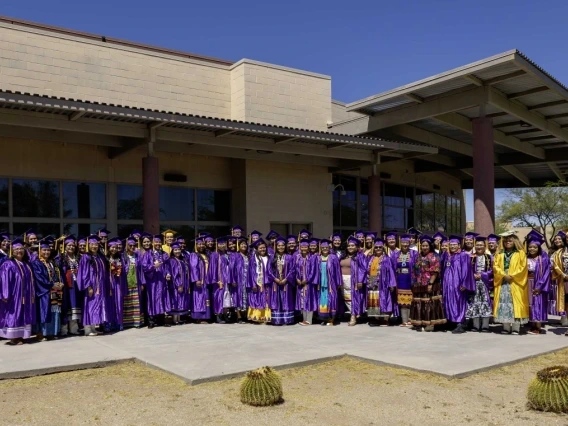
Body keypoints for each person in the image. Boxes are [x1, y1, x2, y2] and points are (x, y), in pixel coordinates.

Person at [0, 239, 35, 345]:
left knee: (23, 314)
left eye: (21, 249)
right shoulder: (8, 264)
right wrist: (5, 294)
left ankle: (21, 335)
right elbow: (4, 280)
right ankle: (13, 338)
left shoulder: (26, 264)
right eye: (16, 249)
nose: (19, 251)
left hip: (26, 295)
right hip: (14, 295)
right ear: (12, 250)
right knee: (14, 314)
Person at [493, 232, 529, 335]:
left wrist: (512, 276)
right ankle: (506, 327)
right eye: (506, 241)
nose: (508, 242)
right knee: (503, 304)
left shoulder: (520, 253)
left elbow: (523, 268)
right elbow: (495, 266)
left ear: (515, 241)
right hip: (503, 281)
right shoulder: (499, 253)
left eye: (510, 240)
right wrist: (504, 275)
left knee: (515, 304)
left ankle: (516, 328)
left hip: (515, 282)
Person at [441, 235, 475, 334]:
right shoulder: (446, 255)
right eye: (450, 245)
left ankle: (460, 323)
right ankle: (451, 321)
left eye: (454, 244)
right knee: (448, 301)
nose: (452, 246)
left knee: (458, 302)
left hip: (458, 284)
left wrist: (464, 283)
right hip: (447, 284)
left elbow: (467, 270)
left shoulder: (463, 255)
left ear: (459, 245)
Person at [32, 237, 64, 341]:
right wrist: (51, 285)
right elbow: (39, 278)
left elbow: (58, 274)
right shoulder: (36, 263)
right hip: (44, 292)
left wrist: (60, 283)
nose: (46, 252)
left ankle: (51, 332)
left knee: (54, 312)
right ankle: (41, 333)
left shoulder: (52, 262)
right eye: (44, 250)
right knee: (43, 312)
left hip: (54, 291)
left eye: (48, 250)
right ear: (39, 251)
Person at [77, 235, 110, 336]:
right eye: (92, 244)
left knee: (96, 306)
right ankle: (87, 329)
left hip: (100, 286)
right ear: (88, 245)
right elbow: (84, 273)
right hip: (91, 285)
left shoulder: (100, 257)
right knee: (90, 305)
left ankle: (93, 328)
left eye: (96, 244)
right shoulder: (86, 257)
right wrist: (89, 286)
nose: (94, 246)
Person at [411, 235, 445, 331]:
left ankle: (430, 324)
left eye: (426, 245)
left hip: (430, 284)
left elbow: (435, 271)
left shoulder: (434, 256)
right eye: (423, 245)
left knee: (428, 305)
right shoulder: (418, 256)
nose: (424, 247)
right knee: (419, 304)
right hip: (419, 284)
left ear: (430, 246)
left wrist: (430, 283)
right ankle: (420, 322)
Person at [140, 235, 170, 328]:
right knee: (152, 299)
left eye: (159, 242)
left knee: (161, 298)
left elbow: (168, 266)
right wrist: (153, 266)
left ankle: (161, 319)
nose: (157, 244)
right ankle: (151, 321)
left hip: (161, 280)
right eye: (156, 242)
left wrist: (168, 273)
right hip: (152, 281)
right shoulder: (148, 254)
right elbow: (144, 267)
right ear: (153, 243)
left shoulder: (164, 254)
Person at [366, 238, 397, 327]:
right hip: (372, 281)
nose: (378, 249)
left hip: (383, 282)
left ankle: (385, 319)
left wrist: (392, 284)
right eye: (376, 247)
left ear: (383, 248)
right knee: (374, 300)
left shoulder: (387, 259)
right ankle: (376, 318)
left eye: (380, 247)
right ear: (374, 248)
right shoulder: (371, 258)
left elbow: (391, 271)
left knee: (384, 299)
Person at [465, 237, 493, 332]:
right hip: (473, 283)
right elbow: (467, 270)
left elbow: (492, 270)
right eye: (477, 245)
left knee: (485, 302)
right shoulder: (471, 257)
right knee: (474, 302)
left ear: (485, 246)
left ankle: (485, 325)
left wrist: (482, 275)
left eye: (481, 245)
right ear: (474, 246)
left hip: (484, 283)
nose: (479, 247)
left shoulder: (489, 257)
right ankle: (476, 325)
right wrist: (473, 275)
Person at [267, 236, 296, 326]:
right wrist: (275, 279)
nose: (281, 247)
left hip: (286, 283)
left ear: (285, 246)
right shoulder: (272, 257)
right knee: (277, 300)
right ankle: (277, 320)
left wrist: (286, 279)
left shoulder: (289, 257)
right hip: (275, 283)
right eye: (279, 246)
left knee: (286, 300)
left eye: (282, 245)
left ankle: (287, 319)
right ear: (276, 246)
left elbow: (293, 270)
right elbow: (268, 270)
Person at [525, 231, 550, 335]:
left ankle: (538, 327)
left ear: (538, 248)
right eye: (530, 247)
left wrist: (539, 286)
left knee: (538, 304)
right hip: (527, 283)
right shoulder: (526, 258)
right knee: (530, 304)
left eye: (534, 247)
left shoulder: (543, 259)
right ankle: (532, 325)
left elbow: (546, 273)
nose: (532, 249)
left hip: (538, 284)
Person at [58, 235, 82, 336]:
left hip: (76, 286)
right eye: (69, 245)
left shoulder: (78, 257)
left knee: (75, 305)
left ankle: (73, 328)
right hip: (67, 286)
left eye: (72, 245)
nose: (71, 247)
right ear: (64, 246)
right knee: (66, 306)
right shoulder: (61, 258)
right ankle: (64, 329)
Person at [314, 239, 341, 326]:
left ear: (329, 248)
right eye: (323, 247)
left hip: (331, 283)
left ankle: (331, 319)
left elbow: (338, 271)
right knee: (323, 300)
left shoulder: (333, 257)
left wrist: (338, 282)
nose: (325, 249)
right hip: (321, 283)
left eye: (326, 247)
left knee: (332, 300)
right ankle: (323, 318)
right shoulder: (317, 258)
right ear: (320, 248)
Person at [341, 236, 366, 326]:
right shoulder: (343, 256)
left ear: (356, 247)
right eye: (349, 246)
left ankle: (353, 316)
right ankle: (353, 313)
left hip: (352, 280)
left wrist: (360, 280)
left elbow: (363, 269)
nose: (350, 247)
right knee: (346, 298)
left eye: (352, 245)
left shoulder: (360, 256)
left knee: (353, 298)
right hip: (342, 280)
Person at [395, 234, 417, 327]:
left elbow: (417, 267)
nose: (405, 244)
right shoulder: (395, 254)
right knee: (402, 301)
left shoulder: (414, 253)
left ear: (409, 243)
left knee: (411, 300)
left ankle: (411, 320)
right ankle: (404, 321)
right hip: (400, 279)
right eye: (403, 243)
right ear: (400, 243)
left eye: (406, 243)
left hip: (410, 278)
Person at [166, 241, 191, 325]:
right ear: (172, 251)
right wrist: (178, 284)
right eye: (175, 250)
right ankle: (174, 319)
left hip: (183, 284)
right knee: (176, 301)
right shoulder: (172, 260)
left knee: (180, 301)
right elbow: (174, 274)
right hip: (176, 285)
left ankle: (179, 318)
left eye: (178, 250)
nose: (177, 251)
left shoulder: (182, 260)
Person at [247, 239, 271, 323]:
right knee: (257, 298)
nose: (262, 249)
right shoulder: (253, 258)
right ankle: (257, 316)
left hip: (267, 281)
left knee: (266, 298)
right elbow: (251, 272)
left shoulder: (269, 257)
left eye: (264, 247)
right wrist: (253, 284)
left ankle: (266, 316)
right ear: (257, 249)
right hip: (257, 281)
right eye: (260, 248)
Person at [189, 236, 212, 323]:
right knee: (198, 298)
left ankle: (205, 317)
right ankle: (198, 317)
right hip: (199, 281)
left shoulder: (205, 255)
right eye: (199, 244)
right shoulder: (194, 255)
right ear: (196, 245)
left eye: (202, 244)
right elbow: (193, 267)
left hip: (206, 281)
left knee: (206, 298)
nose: (201, 246)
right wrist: (196, 279)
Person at [122, 235, 144, 329]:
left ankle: (136, 322)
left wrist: (142, 282)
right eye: (130, 245)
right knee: (127, 303)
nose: (132, 247)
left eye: (133, 245)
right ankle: (127, 323)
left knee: (136, 303)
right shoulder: (123, 257)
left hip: (136, 282)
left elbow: (141, 270)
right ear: (127, 246)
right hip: (126, 283)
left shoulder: (137, 256)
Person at [211, 237, 233, 324]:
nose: (222, 245)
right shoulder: (215, 255)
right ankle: (218, 316)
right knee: (218, 298)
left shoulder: (228, 254)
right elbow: (212, 268)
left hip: (227, 280)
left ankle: (225, 315)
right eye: (220, 244)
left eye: (223, 244)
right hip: (219, 281)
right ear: (217, 245)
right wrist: (215, 279)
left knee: (226, 298)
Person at [295, 240, 317, 326]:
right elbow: (295, 270)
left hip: (309, 284)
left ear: (308, 248)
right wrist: (297, 279)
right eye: (302, 247)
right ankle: (304, 319)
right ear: (300, 248)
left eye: (305, 247)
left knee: (309, 301)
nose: (304, 249)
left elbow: (313, 271)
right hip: (300, 284)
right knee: (302, 301)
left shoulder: (312, 258)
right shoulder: (298, 258)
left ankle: (309, 320)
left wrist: (307, 280)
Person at [107, 237, 126, 331]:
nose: (113, 249)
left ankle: (118, 323)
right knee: (109, 303)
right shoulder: (105, 258)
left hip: (118, 282)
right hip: (108, 283)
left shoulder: (120, 258)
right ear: (108, 247)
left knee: (118, 302)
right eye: (111, 247)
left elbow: (123, 271)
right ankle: (108, 324)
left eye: (115, 247)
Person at [550, 231, 567, 325]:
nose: (557, 240)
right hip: (554, 279)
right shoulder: (554, 251)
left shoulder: (565, 251)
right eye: (555, 239)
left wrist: (562, 274)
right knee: (558, 299)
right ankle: (562, 318)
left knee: (564, 298)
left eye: (559, 239)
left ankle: (565, 319)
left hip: (562, 277)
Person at [232, 238, 250, 323]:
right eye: (242, 244)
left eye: (245, 244)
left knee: (246, 298)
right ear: (238, 246)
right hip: (238, 280)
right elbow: (231, 269)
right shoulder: (235, 255)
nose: (244, 245)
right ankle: (239, 317)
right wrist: (233, 280)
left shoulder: (248, 255)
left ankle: (245, 316)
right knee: (238, 297)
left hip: (247, 279)